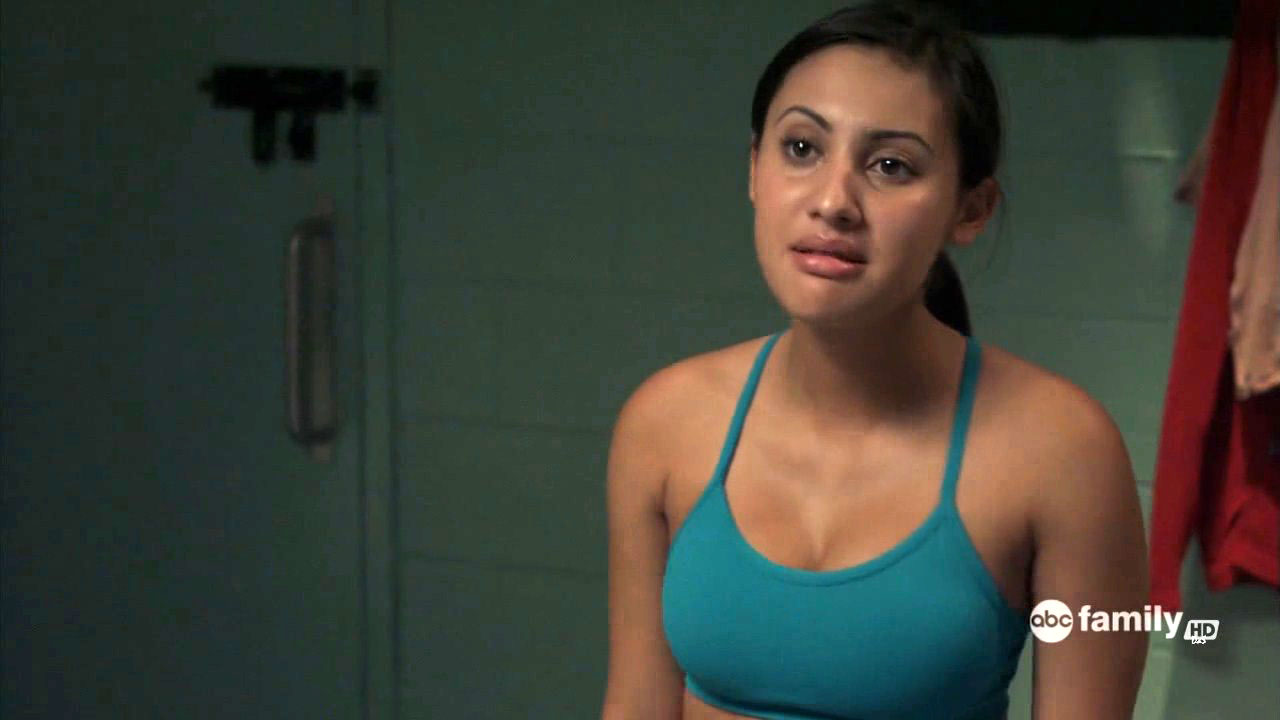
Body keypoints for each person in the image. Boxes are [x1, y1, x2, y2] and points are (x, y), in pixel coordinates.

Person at [601, 2, 1148, 718]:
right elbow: (635, 705)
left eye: (891, 166)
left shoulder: (1063, 451)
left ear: (971, 209)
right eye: (802, 148)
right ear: (755, 169)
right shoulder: (665, 422)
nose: (833, 201)